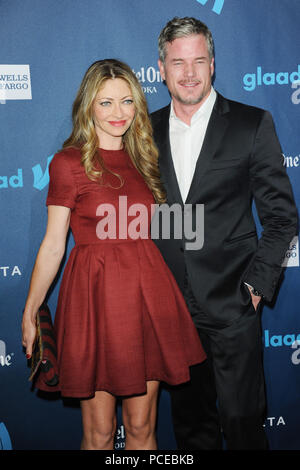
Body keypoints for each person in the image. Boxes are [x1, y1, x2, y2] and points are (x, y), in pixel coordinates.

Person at [21, 59, 206, 451]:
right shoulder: (68, 163)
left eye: (126, 101)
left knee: (141, 430)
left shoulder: (146, 158)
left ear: (137, 104)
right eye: (105, 103)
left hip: (147, 298)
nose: (118, 112)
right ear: (88, 106)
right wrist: (31, 309)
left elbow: (179, 226)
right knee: (100, 434)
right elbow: (54, 244)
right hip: (95, 301)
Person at [151, 17, 298, 450]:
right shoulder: (145, 130)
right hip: (172, 309)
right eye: (178, 63)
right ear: (161, 68)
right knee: (191, 430)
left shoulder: (251, 123)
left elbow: (281, 217)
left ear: (213, 64)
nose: (189, 73)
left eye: (199, 60)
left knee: (243, 428)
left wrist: (256, 285)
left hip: (233, 304)